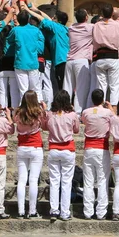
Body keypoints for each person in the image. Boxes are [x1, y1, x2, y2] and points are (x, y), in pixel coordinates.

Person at [44, 89, 80, 220]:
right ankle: (65, 212)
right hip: (67, 149)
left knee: (54, 181)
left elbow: (44, 126)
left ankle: (54, 210)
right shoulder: (72, 115)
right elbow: (76, 130)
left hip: (54, 148)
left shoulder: (50, 114)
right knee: (66, 182)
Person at [81, 89, 113, 220]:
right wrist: (111, 108)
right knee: (102, 181)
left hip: (89, 148)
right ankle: (101, 212)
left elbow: (83, 120)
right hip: (101, 148)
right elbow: (116, 120)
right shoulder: (107, 112)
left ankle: (88, 211)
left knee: (88, 182)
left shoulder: (86, 112)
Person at [14, 90, 46, 218]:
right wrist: (44, 109)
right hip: (35, 147)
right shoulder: (38, 113)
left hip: (22, 147)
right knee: (33, 180)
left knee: (22, 180)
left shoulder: (18, 113)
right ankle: (32, 210)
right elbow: (44, 123)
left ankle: (21, 210)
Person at [93, 4, 119, 107]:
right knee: (114, 85)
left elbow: (94, 40)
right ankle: (113, 107)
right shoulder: (118, 25)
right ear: (112, 14)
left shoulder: (96, 25)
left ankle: (100, 106)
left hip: (100, 56)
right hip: (113, 56)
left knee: (101, 85)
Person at [9, 10, 45, 102]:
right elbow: (41, 43)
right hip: (33, 62)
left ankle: (23, 112)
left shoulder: (15, 30)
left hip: (20, 62)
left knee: (23, 90)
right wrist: (37, 50)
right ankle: (38, 111)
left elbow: (9, 41)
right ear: (28, 19)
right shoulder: (36, 30)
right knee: (36, 89)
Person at [64, 9, 93, 114]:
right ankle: (77, 112)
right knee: (81, 88)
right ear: (86, 18)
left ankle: (64, 109)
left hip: (70, 60)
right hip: (81, 60)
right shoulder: (90, 28)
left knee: (67, 87)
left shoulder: (71, 28)